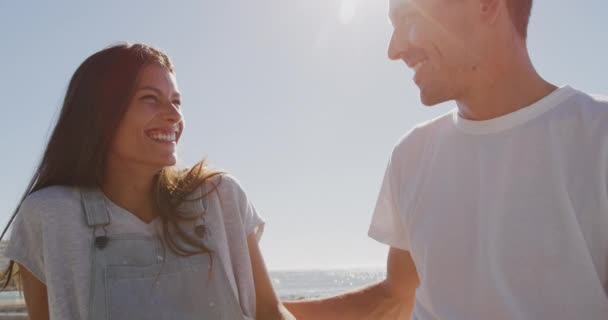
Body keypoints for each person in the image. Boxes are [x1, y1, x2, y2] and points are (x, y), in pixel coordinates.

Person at [285, 0, 608, 318]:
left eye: (409, 17)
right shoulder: (411, 153)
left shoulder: (598, 135)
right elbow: (396, 297)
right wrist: (256, 310)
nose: (394, 50)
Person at [0, 43, 293, 320]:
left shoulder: (221, 197)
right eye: (150, 99)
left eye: (176, 101)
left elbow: (270, 313)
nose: (175, 115)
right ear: (99, 114)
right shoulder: (49, 216)